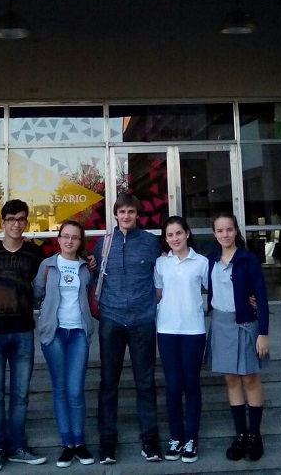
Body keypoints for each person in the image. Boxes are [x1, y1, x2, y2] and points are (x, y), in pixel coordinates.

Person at [93, 193, 162, 465]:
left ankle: (150, 439)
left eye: (131, 211)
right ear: (115, 214)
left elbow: (163, 274)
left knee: (145, 382)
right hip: (111, 319)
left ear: (137, 214)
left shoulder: (150, 242)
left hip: (142, 320)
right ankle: (107, 442)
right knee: (108, 383)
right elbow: (94, 273)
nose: (126, 216)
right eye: (122, 211)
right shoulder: (103, 244)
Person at [0, 200, 47, 472]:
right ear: (2, 222)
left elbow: (58, 264)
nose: (16, 224)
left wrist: (88, 259)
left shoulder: (34, 253)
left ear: (26, 222)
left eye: (21, 219)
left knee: (20, 394)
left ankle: (18, 446)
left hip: (22, 331)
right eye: (11, 219)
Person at [206, 212, 270, 463]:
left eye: (229, 229)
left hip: (245, 324)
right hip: (221, 324)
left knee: (250, 378)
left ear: (236, 231)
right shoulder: (210, 260)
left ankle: (255, 435)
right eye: (220, 230)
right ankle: (241, 434)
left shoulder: (248, 259)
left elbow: (261, 296)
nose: (225, 234)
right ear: (214, 234)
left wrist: (263, 332)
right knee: (231, 379)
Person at [33, 219, 95, 468]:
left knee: (75, 389)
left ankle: (79, 442)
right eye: (65, 236)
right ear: (58, 239)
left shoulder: (86, 267)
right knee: (60, 388)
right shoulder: (47, 265)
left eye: (75, 237)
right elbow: (37, 293)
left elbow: (89, 293)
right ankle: (67, 444)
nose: (69, 241)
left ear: (80, 241)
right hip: (55, 333)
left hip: (78, 331)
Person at [154, 215, 208, 464]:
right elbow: (158, 294)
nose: (175, 238)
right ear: (165, 239)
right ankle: (176, 437)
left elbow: (215, 290)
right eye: (170, 235)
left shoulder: (202, 262)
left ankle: (191, 439)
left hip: (193, 331)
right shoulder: (160, 263)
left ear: (187, 233)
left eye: (178, 233)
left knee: (191, 384)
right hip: (166, 330)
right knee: (173, 385)